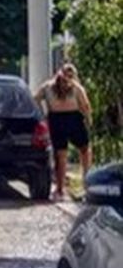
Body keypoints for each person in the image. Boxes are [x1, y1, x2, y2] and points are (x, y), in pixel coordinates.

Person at [35, 63, 93, 200]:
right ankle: (73, 186)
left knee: (68, 153)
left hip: (62, 119)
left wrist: (43, 115)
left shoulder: (51, 87)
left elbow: (36, 98)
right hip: (67, 120)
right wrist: (89, 120)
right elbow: (85, 106)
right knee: (74, 152)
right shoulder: (70, 87)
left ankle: (67, 188)